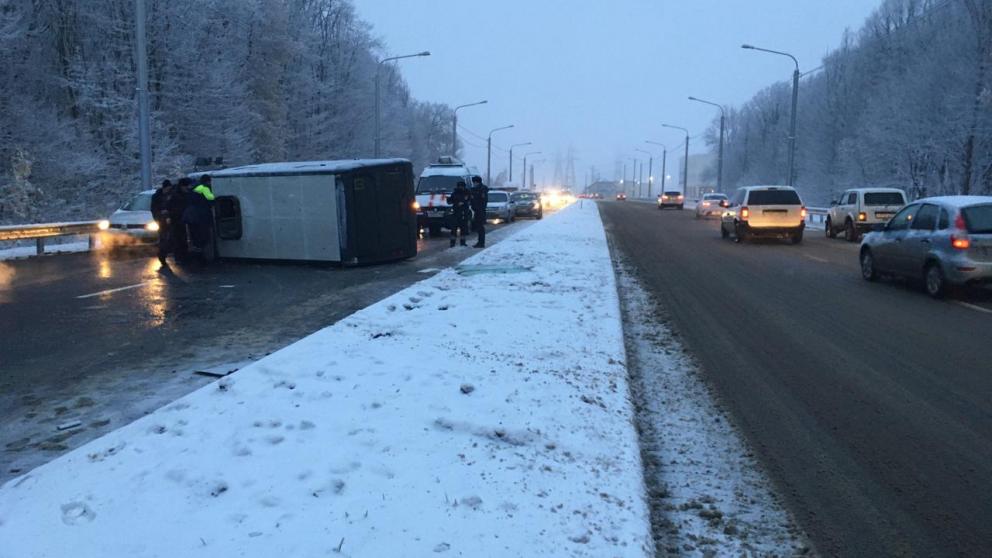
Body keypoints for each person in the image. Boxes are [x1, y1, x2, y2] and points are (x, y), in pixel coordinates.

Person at [184, 174, 216, 261]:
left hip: (191, 216)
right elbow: (211, 199)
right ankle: (203, 258)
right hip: (201, 216)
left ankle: (197, 257)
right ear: (207, 181)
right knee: (204, 237)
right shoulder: (204, 188)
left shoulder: (194, 188)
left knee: (195, 237)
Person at [150, 179, 174, 265]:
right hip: (162, 221)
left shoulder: (171, 195)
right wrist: (160, 215)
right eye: (168, 188)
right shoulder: (156, 196)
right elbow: (154, 209)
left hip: (170, 220)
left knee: (169, 239)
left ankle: (166, 254)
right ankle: (162, 256)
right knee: (163, 239)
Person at [168, 178, 192, 261]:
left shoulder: (179, 194)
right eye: (186, 186)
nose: (187, 188)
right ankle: (180, 257)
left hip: (181, 220)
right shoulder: (176, 196)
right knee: (179, 239)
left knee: (182, 239)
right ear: (182, 186)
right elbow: (173, 208)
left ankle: (182, 256)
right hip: (177, 220)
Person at [447, 180, 471, 247]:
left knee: (463, 229)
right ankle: (452, 243)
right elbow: (450, 201)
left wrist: (463, 202)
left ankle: (463, 242)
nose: (461, 188)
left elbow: (469, 201)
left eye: (462, 186)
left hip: (464, 213)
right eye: (459, 186)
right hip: (456, 213)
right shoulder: (454, 193)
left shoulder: (467, 193)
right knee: (453, 229)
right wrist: (449, 200)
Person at [469, 175, 489, 248]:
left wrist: (474, 198)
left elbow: (482, 201)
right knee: (478, 227)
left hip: (480, 211)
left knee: (480, 227)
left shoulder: (482, 190)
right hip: (477, 211)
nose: (473, 184)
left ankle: (481, 243)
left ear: (477, 182)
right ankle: (480, 242)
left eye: (474, 182)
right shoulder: (475, 190)